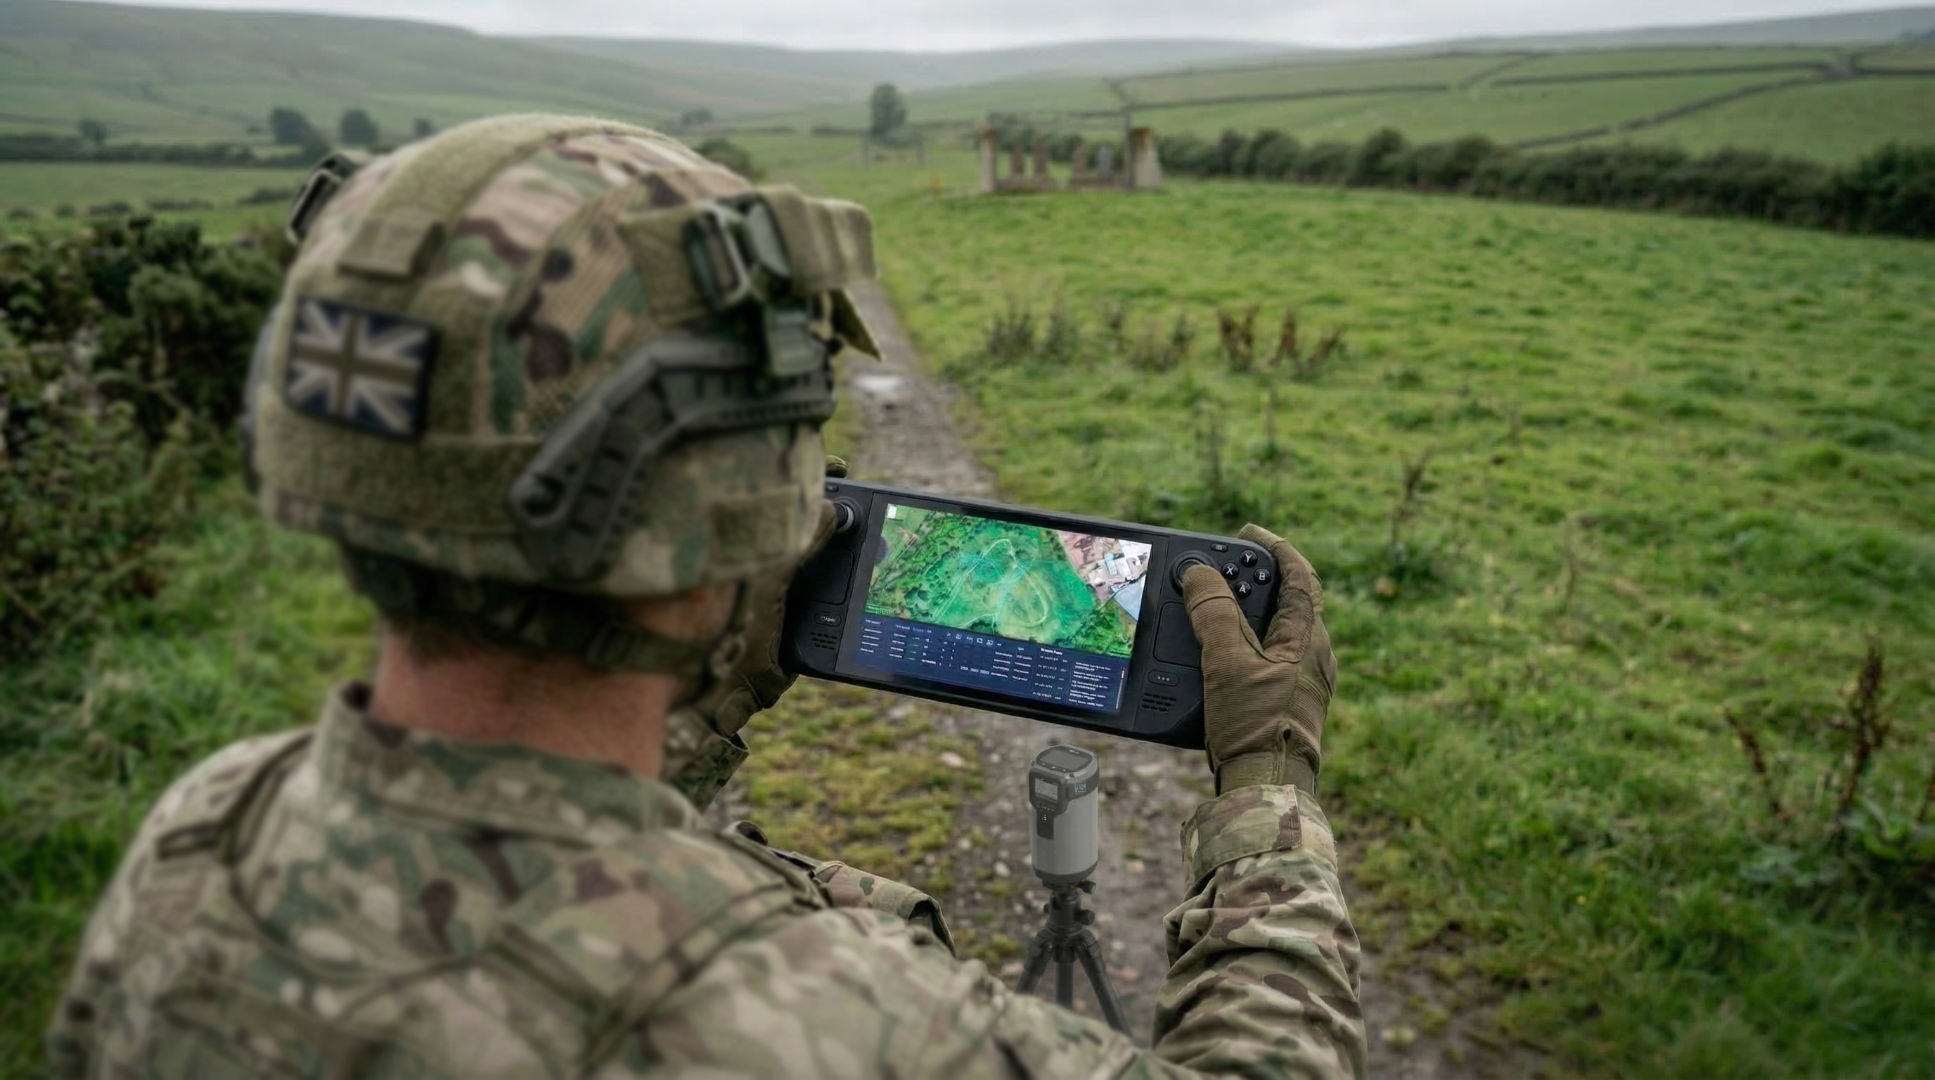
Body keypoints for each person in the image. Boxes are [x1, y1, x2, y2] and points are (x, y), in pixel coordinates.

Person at [48, 114, 1364, 1078]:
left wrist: (710, 684)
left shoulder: (208, 830)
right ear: (737, 506)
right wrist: (1271, 790)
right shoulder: (836, 1028)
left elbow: (512, 864)